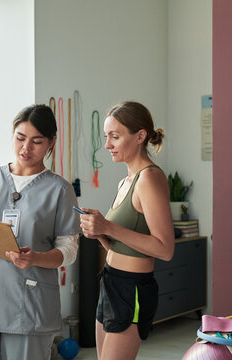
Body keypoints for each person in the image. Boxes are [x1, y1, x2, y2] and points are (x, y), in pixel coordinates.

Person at [0, 104, 81, 360]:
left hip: (30, 307)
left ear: (51, 143)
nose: (26, 148)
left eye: (37, 141)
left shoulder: (60, 190)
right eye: (20, 138)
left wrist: (35, 258)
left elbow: (69, 251)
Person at [79, 101, 175, 360]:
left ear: (140, 136)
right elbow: (126, 246)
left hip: (131, 289)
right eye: (106, 136)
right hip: (110, 281)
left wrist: (108, 226)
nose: (107, 144)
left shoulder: (150, 178)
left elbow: (165, 249)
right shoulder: (125, 181)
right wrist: (101, 234)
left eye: (115, 136)